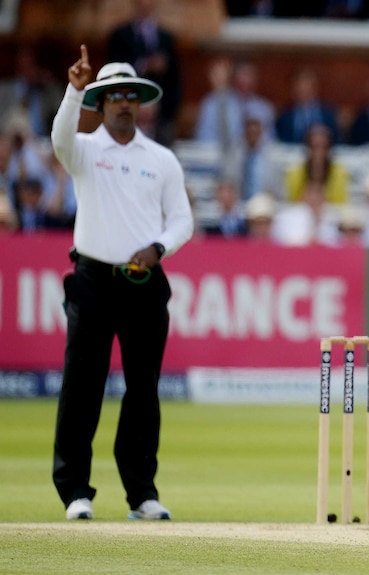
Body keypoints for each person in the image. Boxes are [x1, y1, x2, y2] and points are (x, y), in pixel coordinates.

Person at [51, 45, 194, 521]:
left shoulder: (161, 159)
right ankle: (75, 492)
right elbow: (59, 141)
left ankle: (141, 494)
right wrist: (73, 92)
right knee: (82, 387)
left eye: (130, 95)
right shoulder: (86, 150)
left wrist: (157, 249)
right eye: (113, 96)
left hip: (143, 283)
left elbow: (182, 221)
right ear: (101, 103)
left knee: (143, 390)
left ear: (140, 101)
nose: (123, 103)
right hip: (92, 280)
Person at [106, 0, 182, 147]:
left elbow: (175, 81)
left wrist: (163, 110)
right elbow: (113, 71)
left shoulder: (166, 38)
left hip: (161, 118)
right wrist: (144, 65)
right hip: (126, 111)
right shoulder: (120, 36)